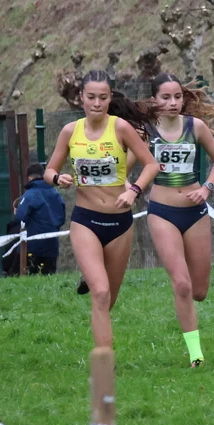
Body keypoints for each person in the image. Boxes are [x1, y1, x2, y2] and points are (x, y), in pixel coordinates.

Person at [45, 69, 159, 349]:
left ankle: (99, 328)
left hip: (120, 223)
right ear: (81, 97)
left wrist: (133, 191)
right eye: (91, 97)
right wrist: (58, 178)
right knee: (101, 292)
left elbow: (151, 165)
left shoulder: (121, 128)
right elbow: (49, 170)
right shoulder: (70, 132)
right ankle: (104, 362)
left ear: (110, 98)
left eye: (103, 97)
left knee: (109, 299)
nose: (97, 103)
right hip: (86, 221)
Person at [145, 73, 214, 368]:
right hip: (161, 212)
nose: (173, 103)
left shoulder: (195, 127)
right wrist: (129, 189)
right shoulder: (145, 131)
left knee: (199, 291)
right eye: (166, 97)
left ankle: (190, 310)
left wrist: (207, 188)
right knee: (181, 284)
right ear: (154, 100)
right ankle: (196, 354)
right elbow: (126, 166)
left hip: (195, 213)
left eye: (177, 97)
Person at [11, 163, 67, 275]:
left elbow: (20, 217)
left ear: (29, 178)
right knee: (48, 279)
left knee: (16, 276)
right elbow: (61, 219)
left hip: (31, 247)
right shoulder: (56, 194)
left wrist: (17, 211)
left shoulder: (29, 195)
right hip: (52, 246)